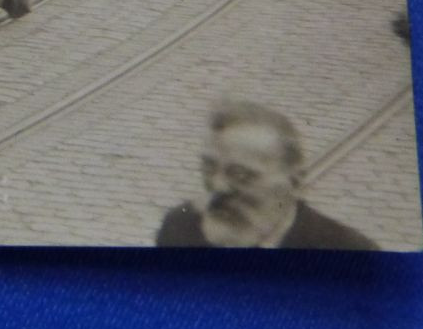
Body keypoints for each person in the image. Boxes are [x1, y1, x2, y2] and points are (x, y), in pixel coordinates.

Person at [156, 100, 375, 249]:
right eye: (209, 168)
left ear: (295, 183)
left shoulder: (348, 252)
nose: (218, 186)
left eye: (241, 175)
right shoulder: (180, 228)